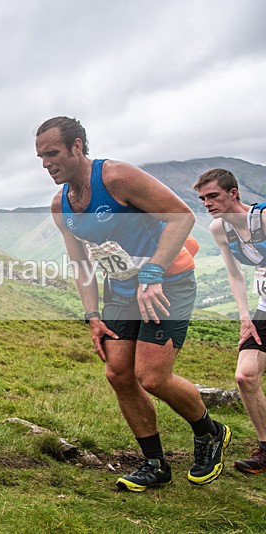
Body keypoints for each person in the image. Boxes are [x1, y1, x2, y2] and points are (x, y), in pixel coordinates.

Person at [36, 116, 230, 492]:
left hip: (168, 283)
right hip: (121, 292)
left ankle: (210, 432)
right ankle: (155, 464)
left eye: (53, 153)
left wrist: (153, 273)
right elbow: (81, 265)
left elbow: (181, 217)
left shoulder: (116, 178)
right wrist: (92, 315)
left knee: (153, 377)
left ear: (77, 147)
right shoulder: (61, 205)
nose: (46, 163)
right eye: (41, 156)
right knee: (118, 374)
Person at [194, 168, 266, 474]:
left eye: (213, 196)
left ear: (233, 193)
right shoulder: (219, 229)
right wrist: (244, 317)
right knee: (245, 376)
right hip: (263, 308)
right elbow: (234, 274)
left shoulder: (262, 219)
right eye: (202, 198)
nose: (207, 203)